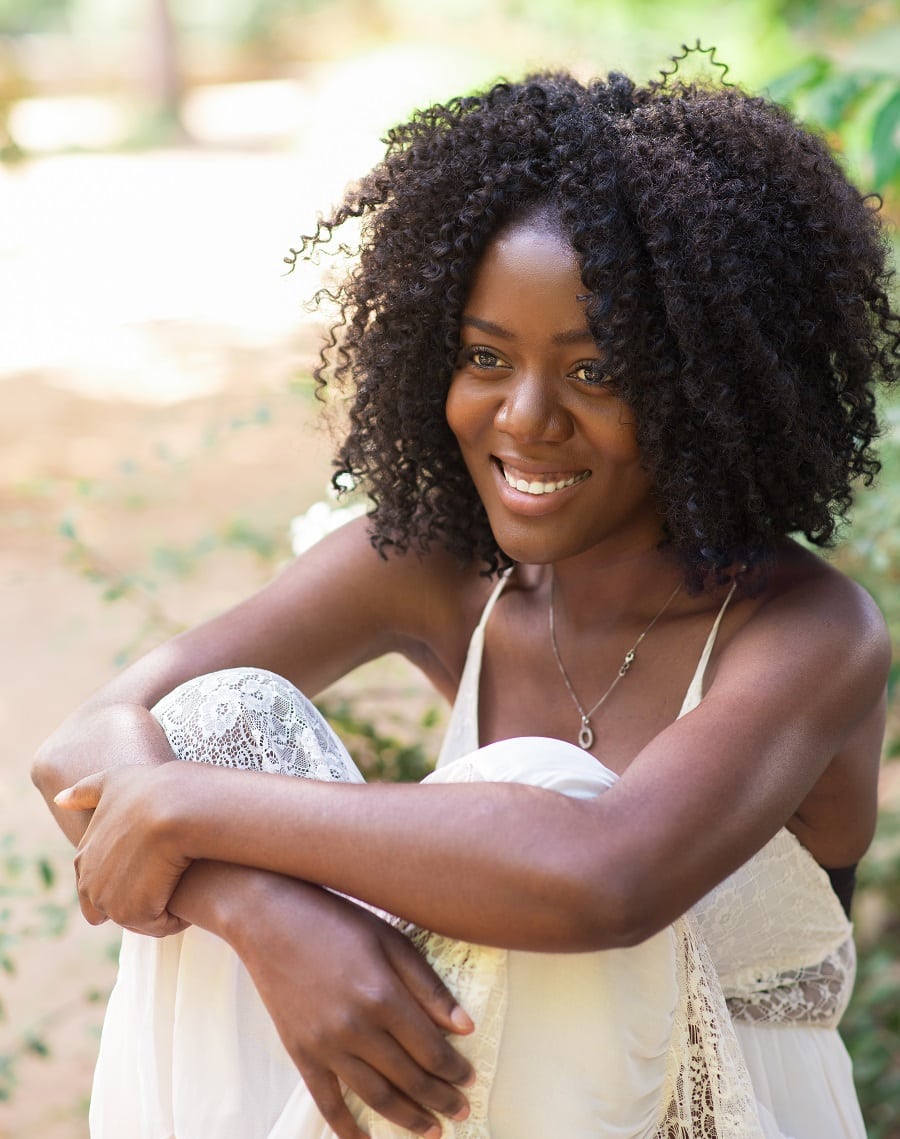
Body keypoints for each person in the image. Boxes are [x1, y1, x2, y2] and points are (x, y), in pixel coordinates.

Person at [32, 63, 899, 1139]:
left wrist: (185, 810)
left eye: (597, 373)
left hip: (725, 1112)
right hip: (469, 1104)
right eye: (485, 357)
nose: (525, 418)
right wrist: (261, 910)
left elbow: (604, 874)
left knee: (532, 783)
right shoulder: (441, 566)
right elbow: (86, 742)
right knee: (207, 719)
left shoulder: (808, 632)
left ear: (712, 389)